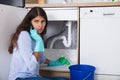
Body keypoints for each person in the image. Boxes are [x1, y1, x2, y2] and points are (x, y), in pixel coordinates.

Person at [8, 7, 68, 80]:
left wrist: (52, 62)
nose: (40, 25)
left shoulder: (36, 35)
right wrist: (38, 42)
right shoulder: (24, 35)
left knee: (63, 79)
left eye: (43, 21)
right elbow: (32, 67)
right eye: (36, 21)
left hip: (32, 77)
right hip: (20, 78)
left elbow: (40, 58)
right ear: (30, 22)